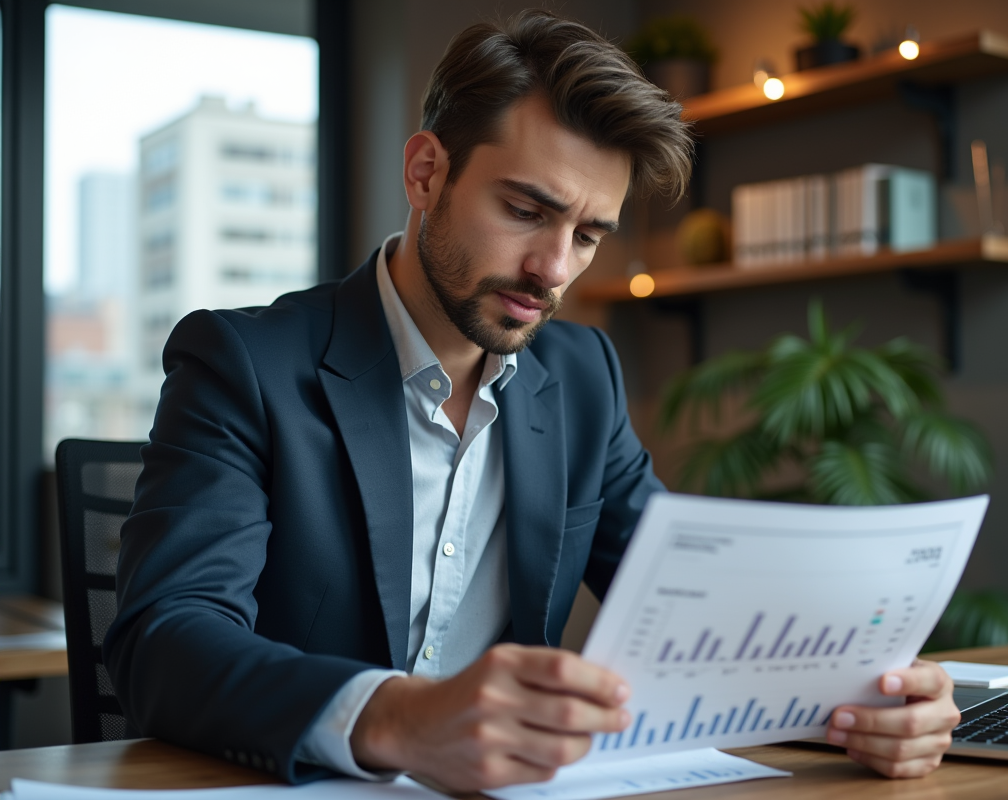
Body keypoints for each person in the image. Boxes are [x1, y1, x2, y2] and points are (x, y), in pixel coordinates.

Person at [105, 9, 960, 791]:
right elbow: (165, 642)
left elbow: (694, 604)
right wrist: (398, 717)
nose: (555, 270)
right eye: (525, 210)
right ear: (426, 171)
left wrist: (865, 699)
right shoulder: (243, 361)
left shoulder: (583, 376)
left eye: (588, 235)